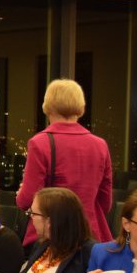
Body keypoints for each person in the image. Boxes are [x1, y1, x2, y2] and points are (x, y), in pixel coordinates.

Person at [16, 78, 113, 248]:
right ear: (81, 107)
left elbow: (27, 200)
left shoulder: (40, 143)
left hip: (52, 236)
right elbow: (105, 203)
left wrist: (20, 195)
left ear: (48, 106)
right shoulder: (100, 145)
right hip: (90, 234)